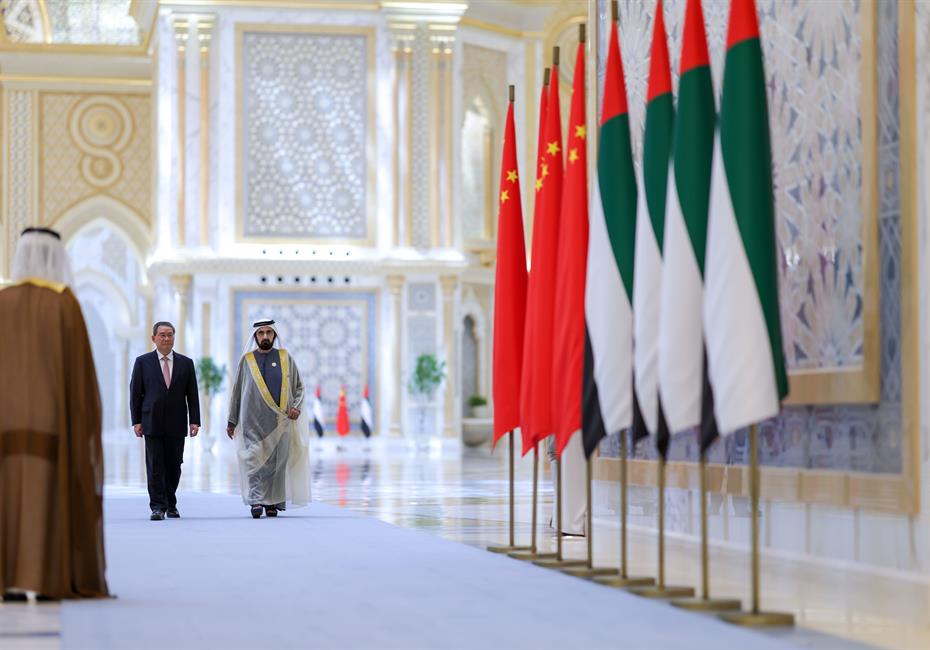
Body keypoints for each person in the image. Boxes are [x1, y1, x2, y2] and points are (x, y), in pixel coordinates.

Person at [0, 227, 109, 600]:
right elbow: (79, 377)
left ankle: (9, 580)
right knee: (47, 495)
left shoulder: (2, 299)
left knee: (9, 494)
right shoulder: (64, 302)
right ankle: (46, 579)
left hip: (5, 421)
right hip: (51, 420)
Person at [227, 319, 310, 518]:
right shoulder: (246, 360)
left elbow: (299, 386)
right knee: (253, 462)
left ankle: (272, 502)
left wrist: (296, 407)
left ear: (274, 335)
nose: (265, 336)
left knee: (275, 465)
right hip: (251, 421)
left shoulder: (285, 358)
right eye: (261, 333)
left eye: (268, 333)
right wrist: (232, 420)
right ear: (255, 336)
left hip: (279, 423)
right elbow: (237, 391)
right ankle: (256, 501)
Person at [130, 322, 200, 520]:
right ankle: (158, 507)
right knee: (155, 465)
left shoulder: (186, 363)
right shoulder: (142, 362)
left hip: (177, 422)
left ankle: (171, 503)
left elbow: (192, 394)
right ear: (154, 338)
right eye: (162, 335)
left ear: (174, 338)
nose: (166, 339)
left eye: (169, 335)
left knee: (174, 464)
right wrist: (136, 421)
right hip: (151, 421)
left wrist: (194, 420)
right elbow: (135, 393)